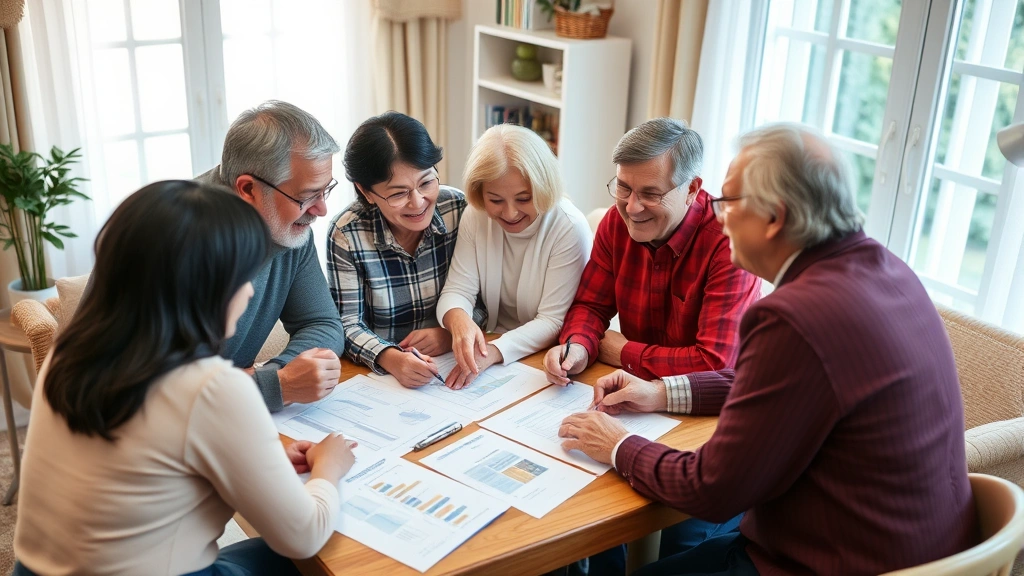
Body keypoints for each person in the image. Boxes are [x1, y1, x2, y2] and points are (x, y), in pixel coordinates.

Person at [557, 124, 977, 575]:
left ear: (774, 217)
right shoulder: (885, 269)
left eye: (728, 202)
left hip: (824, 560)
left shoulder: (793, 317)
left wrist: (618, 444)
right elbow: (769, 384)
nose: (717, 216)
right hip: (917, 550)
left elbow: (713, 490)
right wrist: (660, 393)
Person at [13, 181, 357, 576]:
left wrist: (258, 458)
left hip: (35, 570)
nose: (248, 293)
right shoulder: (211, 387)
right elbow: (303, 534)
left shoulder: (70, 351)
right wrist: (330, 466)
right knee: (318, 552)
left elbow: (139, 459)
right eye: (242, 277)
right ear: (202, 287)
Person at [543, 118, 761, 398]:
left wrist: (623, 351)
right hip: (638, 393)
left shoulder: (730, 243)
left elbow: (714, 365)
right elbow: (590, 306)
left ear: (691, 190)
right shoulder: (615, 223)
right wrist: (579, 347)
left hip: (714, 407)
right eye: (623, 188)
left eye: (650, 194)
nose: (631, 208)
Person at [196, 100, 345, 413]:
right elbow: (165, 397)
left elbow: (323, 324)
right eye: (307, 197)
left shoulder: (287, 225)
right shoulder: (173, 243)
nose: (321, 209)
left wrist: (276, 374)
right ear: (249, 189)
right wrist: (281, 384)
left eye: (325, 190)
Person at [328, 111, 485, 388]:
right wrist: (390, 358)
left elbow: (486, 301)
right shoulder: (347, 234)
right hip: (384, 380)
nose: (418, 202)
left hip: (455, 363)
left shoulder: (458, 209)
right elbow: (347, 324)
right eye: (399, 193)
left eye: (426, 182)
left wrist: (449, 333)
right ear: (365, 192)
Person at [436, 124, 592, 388]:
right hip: (492, 347)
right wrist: (459, 321)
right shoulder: (476, 215)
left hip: (545, 358)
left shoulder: (568, 227)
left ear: (543, 187)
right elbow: (458, 289)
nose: (509, 213)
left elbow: (553, 321)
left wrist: (491, 353)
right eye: (496, 200)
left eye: (524, 199)